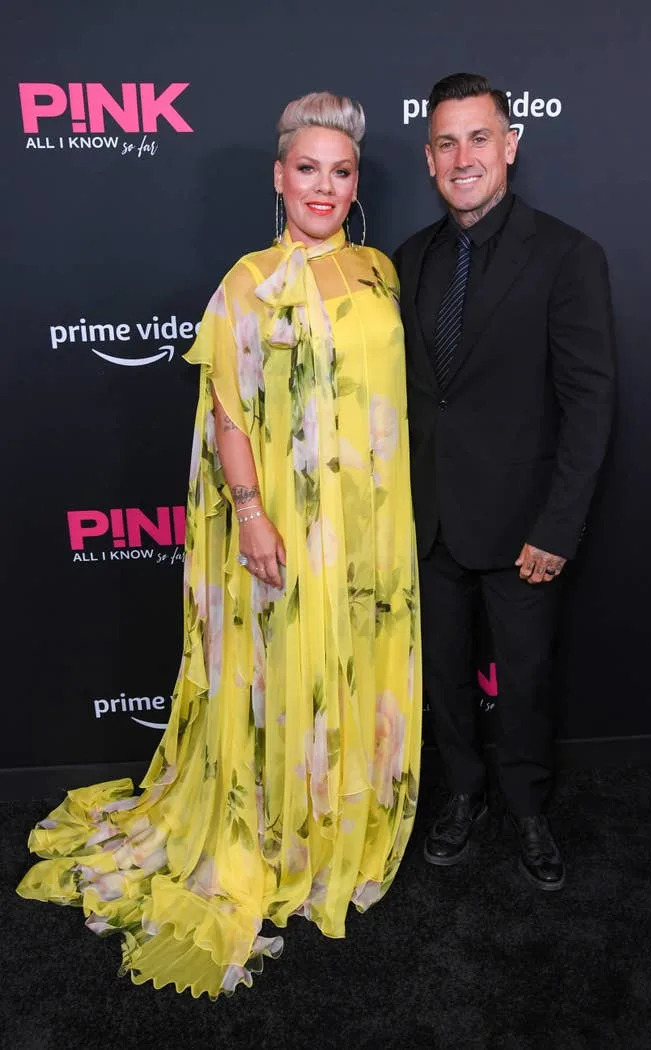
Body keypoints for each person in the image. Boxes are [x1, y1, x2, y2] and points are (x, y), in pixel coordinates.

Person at [18, 92, 421, 997]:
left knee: (357, 675)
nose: (324, 186)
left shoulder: (379, 272)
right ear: (278, 177)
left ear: (357, 184)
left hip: (374, 534)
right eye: (307, 169)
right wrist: (252, 514)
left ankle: (337, 831)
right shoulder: (249, 281)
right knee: (284, 683)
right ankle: (275, 838)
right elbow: (228, 414)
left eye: (341, 171)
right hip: (287, 527)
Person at [394, 73, 615, 890]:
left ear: (510, 146)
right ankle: (463, 795)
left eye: (479, 138)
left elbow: (589, 401)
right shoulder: (406, 260)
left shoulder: (566, 255)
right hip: (426, 521)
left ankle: (526, 809)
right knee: (444, 677)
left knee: (523, 681)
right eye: (447, 143)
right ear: (428, 158)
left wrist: (558, 526)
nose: (464, 158)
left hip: (526, 528)